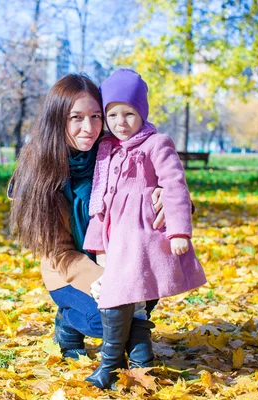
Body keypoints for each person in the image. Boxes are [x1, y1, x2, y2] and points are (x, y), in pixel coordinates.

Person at [9, 74, 168, 367]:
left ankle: (128, 331)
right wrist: (107, 282)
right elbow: (57, 253)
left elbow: (163, 177)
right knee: (103, 323)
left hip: (115, 259)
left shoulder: (114, 152)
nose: (89, 128)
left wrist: (163, 194)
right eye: (76, 118)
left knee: (147, 290)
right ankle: (69, 323)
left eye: (96, 116)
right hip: (68, 268)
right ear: (58, 120)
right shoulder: (39, 171)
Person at [82, 69, 207, 389]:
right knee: (129, 300)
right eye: (112, 114)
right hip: (114, 236)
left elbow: (175, 186)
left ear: (143, 112)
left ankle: (110, 366)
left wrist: (179, 230)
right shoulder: (107, 148)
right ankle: (141, 363)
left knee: (116, 297)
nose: (120, 121)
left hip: (143, 236)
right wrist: (97, 245)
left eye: (129, 113)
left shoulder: (156, 144)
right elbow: (101, 197)